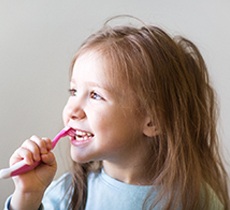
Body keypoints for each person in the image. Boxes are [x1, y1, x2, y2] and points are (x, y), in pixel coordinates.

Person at [4, 17, 230, 210]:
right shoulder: (67, 195)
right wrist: (27, 197)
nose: (72, 110)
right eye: (73, 91)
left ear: (153, 121)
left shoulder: (196, 200)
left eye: (95, 95)